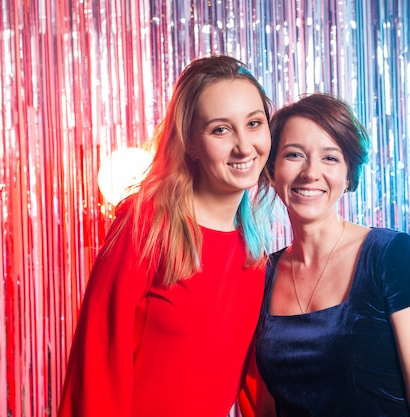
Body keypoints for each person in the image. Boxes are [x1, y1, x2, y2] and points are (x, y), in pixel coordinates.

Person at [57, 55, 274, 417]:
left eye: (254, 123)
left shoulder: (256, 254)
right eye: (221, 129)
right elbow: (96, 362)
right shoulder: (146, 226)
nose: (243, 146)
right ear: (189, 142)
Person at [253, 93, 410, 417]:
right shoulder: (262, 274)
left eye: (330, 158)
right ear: (272, 170)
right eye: (294, 155)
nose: (310, 173)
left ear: (348, 176)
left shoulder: (390, 255)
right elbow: (265, 408)